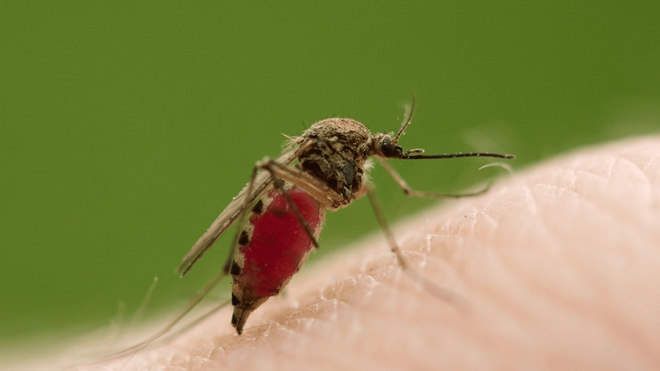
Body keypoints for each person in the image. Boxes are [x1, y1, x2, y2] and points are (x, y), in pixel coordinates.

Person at [64, 136, 660, 370]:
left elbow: (372, 177)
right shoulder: (337, 164)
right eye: (383, 149)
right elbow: (282, 172)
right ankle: (228, 280)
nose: (383, 157)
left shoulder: (357, 165)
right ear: (364, 146)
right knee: (271, 173)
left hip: (296, 201)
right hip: (283, 204)